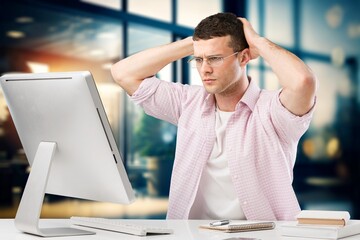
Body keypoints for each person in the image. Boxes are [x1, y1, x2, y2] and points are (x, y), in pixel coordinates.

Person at [111, 12, 317, 221]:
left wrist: (258, 42)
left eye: (215, 58)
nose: (205, 69)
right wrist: (193, 43)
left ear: (244, 57)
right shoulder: (188, 103)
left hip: (263, 235)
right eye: (199, 59)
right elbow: (123, 73)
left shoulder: (273, 111)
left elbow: (303, 82)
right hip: (190, 235)